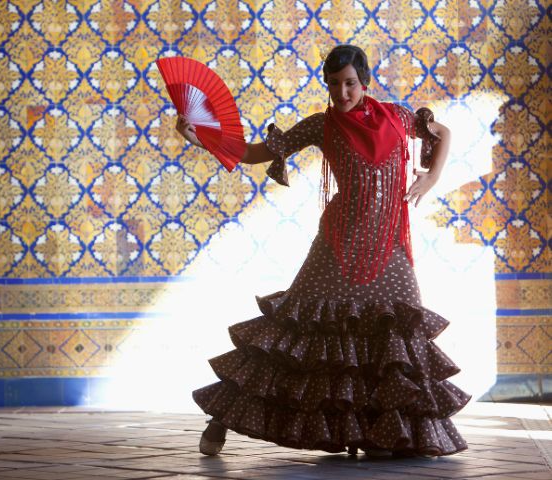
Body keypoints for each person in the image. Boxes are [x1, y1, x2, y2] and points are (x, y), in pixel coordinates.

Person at [176, 45, 470, 458]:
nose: (342, 92)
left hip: (389, 247)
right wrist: (202, 136)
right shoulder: (322, 126)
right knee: (290, 332)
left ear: (364, 82)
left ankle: (381, 433)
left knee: (394, 336)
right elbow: (254, 153)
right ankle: (220, 419)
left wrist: (430, 179)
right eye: (334, 84)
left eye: (350, 83)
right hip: (337, 245)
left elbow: (443, 134)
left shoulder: (398, 116)